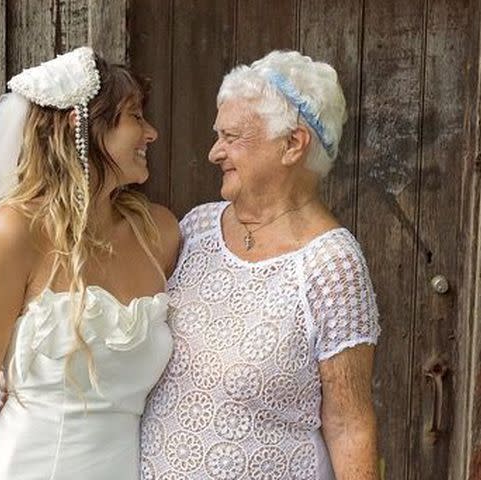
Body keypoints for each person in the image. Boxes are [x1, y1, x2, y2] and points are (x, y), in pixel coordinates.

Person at [0, 46, 180, 480]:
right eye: (134, 116)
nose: (152, 132)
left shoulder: (158, 234)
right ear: (81, 126)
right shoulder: (11, 236)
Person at [140, 50, 381, 479]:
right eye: (218, 136)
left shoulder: (331, 264)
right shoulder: (195, 229)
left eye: (232, 137)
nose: (215, 152)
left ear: (292, 144)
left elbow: (349, 423)